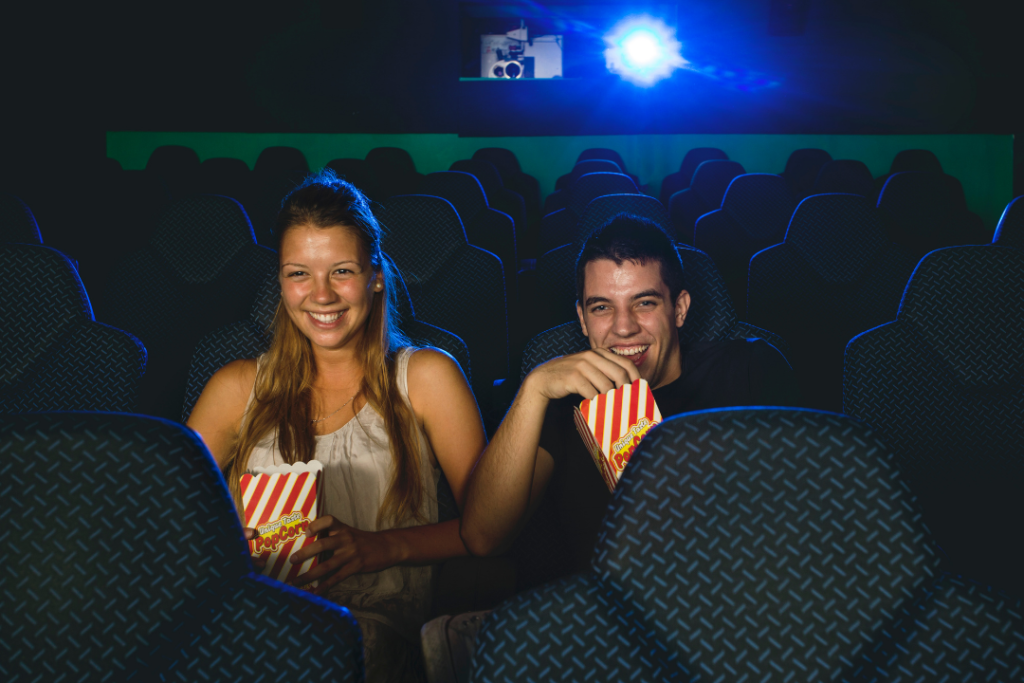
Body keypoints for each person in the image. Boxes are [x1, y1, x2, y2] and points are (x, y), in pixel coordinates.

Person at [422, 214, 797, 683]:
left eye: (644, 303)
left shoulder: (750, 370)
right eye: (602, 307)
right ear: (581, 318)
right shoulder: (562, 404)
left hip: (735, 622)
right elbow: (483, 537)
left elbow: (806, 518)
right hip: (602, 642)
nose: (623, 328)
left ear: (679, 309)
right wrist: (535, 389)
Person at [187, 170, 486, 683]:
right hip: (252, 626)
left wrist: (380, 547)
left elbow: (488, 532)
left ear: (375, 275)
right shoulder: (235, 388)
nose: (320, 295)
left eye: (341, 271)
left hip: (375, 635)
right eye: (299, 273)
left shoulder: (429, 377)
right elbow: (175, 527)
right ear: (279, 282)